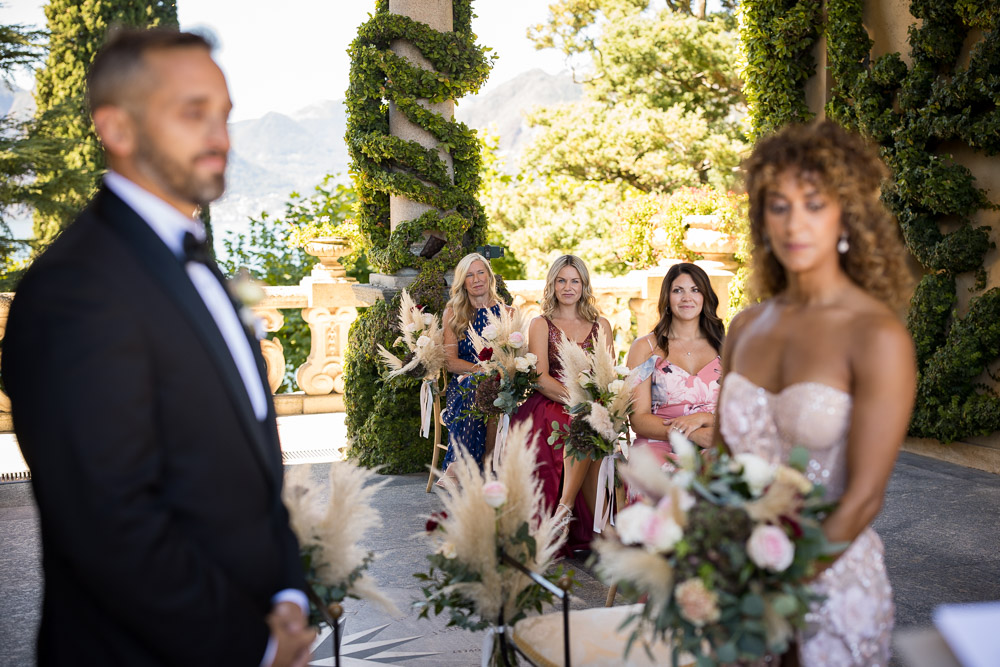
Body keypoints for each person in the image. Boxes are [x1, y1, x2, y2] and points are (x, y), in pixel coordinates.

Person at [3, 29, 314, 666]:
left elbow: (252, 468)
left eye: (224, 114)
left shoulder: (192, 264)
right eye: (193, 113)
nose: (221, 137)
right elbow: (108, 524)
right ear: (117, 128)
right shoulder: (74, 290)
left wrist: (288, 592)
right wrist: (254, 646)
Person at [716, 120, 916, 666]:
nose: (794, 224)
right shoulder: (745, 328)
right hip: (736, 586)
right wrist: (710, 567)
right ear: (762, 220)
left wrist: (774, 592)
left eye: (813, 204)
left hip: (830, 590)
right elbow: (721, 467)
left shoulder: (876, 336)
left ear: (845, 214)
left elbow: (863, 499)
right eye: (778, 207)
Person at [512, 255, 612, 554]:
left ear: (584, 285)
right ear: (552, 285)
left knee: (592, 425)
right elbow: (540, 378)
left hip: (591, 402)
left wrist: (593, 402)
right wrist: (577, 401)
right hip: (552, 400)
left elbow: (607, 377)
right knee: (572, 424)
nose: (568, 287)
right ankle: (569, 516)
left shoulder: (601, 325)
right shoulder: (541, 324)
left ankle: (567, 512)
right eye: (562, 281)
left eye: (575, 281)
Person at [626, 263, 724, 460]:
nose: (687, 297)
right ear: (667, 298)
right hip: (659, 444)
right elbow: (638, 419)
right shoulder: (645, 348)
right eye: (678, 290)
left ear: (705, 297)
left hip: (712, 441)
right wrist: (692, 434)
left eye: (695, 290)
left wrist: (705, 418)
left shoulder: (724, 346)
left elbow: (739, 410)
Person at [438, 252, 505, 484]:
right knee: (474, 387)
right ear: (462, 282)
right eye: (469, 275)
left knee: (485, 390)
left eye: (480, 273)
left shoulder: (507, 313)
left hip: (499, 384)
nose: (476, 279)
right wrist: (480, 371)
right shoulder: (454, 314)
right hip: (462, 385)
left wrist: (493, 374)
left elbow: (513, 357)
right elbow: (450, 361)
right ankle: (479, 467)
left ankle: (459, 465)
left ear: (489, 276)